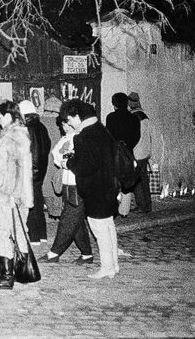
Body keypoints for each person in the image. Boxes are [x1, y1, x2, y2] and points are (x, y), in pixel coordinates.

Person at [61, 99, 120, 279]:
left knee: (99, 230)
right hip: (109, 186)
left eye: (69, 119)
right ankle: (114, 265)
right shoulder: (102, 130)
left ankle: (106, 267)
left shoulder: (83, 136)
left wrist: (69, 162)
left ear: (77, 116)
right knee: (109, 227)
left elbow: (87, 167)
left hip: (95, 190)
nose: (69, 123)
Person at [0, 101, 32, 290]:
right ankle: (23, 273)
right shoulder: (17, 134)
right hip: (14, 194)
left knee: (2, 233)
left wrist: (11, 192)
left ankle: (7, 277)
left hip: (10, 196)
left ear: (9, 115)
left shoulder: (13, 136)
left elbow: (17, 169)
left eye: (0, 116)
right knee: (19, 233)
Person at [40, 116, 93, 264]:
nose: (64, 127)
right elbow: (56, 155)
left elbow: (68, 158)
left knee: (67, 219)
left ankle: (54, 253)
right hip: (67, 183)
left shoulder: (81, 137)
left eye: (66, 124)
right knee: (76, 222)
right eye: (62, 124)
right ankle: (87, 254)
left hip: (78, 184)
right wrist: (65, 158)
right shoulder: (66, 138)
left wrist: (66, 159)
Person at [19, 100, 51, 244]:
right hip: (40, 170)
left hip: (30, 170)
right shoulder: (42, 127)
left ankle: (33, 237)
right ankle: (42, 234)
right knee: (38, 202)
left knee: (30, 204)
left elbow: (28, 152)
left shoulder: (26, 129)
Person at [105, 92, 140, 216]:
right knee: (128, 181)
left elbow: (108, 136)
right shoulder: (134, 118)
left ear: (114, 104)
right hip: (128, 153)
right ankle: (124, 210)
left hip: (114, 153)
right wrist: (128, 145)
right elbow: (137, 136)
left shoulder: (111, 117)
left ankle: (113, 209)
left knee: (113, 181)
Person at [128, 92, 153, 213]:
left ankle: (142, 205)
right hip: (145, 151)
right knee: (144, 179)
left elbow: (134, 136)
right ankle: (147, 204)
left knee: (138, 180)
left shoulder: (134, 117)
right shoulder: (144, 116)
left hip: (137, 152)